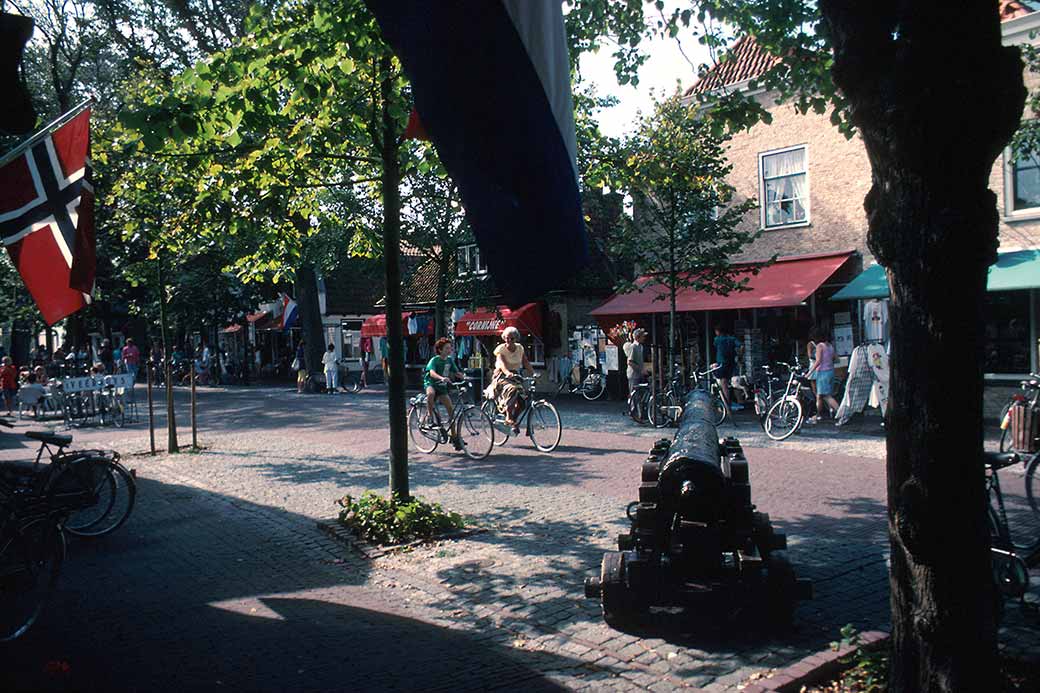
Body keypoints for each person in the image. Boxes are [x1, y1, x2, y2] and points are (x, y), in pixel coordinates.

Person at [488, 326, 533, 433]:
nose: (508, 341)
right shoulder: (501, 349)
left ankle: (513, 420)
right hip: (502, 375)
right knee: (512, 389)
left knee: (523, 401)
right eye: (506, 338)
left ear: (516, 339)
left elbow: (525, 362)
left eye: (511, 339)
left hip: (515, 375)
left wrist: (534, 373)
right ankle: (508, 417)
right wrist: (508, 373)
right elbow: (502, 364)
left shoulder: (520, 348)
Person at [423, 338, 464, 447]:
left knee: (451, 410)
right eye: (447, 348)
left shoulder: (450, 360)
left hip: (442, 388)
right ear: (440, 350)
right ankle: (430, 417)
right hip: (432, 384)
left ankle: (455, 436)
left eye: (450, 348)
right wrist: (441, 378)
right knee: (430, 394)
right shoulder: (434, 360)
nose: (449, 350)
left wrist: (463, 376)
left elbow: (456, 372)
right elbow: (431, 372)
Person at [806, 328, 841, 423]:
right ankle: (817, 416)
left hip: (822, 373)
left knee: (826, 396)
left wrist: (809, 373)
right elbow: (837, 359)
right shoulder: (830, 346)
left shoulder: (819, 347)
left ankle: (840, 413)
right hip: (831, 372)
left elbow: (817, 361)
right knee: (820, 396)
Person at [712, 325, 742, 412]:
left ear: (718, 331)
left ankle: (726, 404)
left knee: (723, 383)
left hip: (722, 363)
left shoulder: (717, 339)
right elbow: (741, 345)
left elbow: (715, 346)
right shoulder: (732, 339)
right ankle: (734, 401)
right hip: (731, 363)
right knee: (731, 382)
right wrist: (739, 356)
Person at [623, 328, 648, 394]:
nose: (644, 338)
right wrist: (641, 370)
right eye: (643, 336)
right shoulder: (633, 347)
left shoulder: (641, 346)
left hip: (639, 374)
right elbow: (630, 362)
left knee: (640, 393)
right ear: (638, 337)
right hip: (633, 374)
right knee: (634, 394)